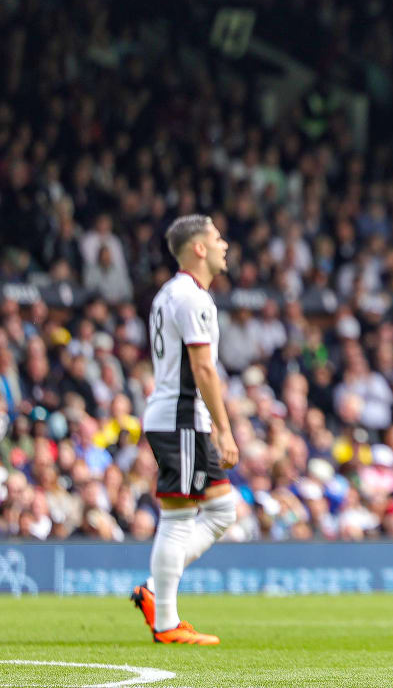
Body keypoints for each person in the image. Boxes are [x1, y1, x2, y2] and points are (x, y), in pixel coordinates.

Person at [129, 215, 240, 645]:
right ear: (198, 248)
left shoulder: (169, 294)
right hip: (181, 418)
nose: (224, 245)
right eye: (217, 238)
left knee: (222, 511)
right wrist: (224, 429)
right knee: (178, 519)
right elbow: (202, 367)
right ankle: (166, 623)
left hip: (174, 416)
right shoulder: (193, 298)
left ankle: (156, 593)